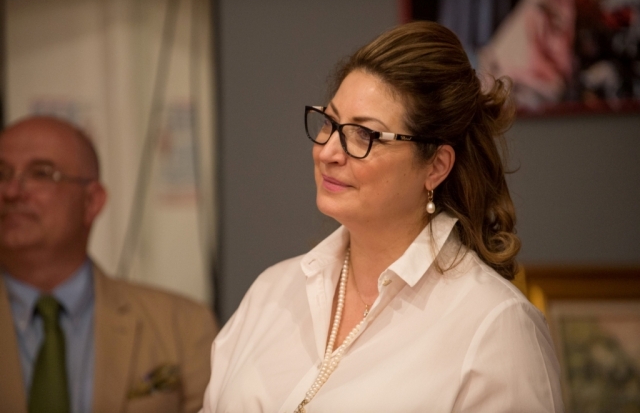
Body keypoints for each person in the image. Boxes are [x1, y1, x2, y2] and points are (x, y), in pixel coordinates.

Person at [202, 21, 563, 412]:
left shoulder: (495, 326)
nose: (328, 152)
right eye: (329, 123)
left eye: (364, 135)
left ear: (436, 166)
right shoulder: (271, 292)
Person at [0, 116, 217, 413]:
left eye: (41, 173)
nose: (11, 192)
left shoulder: (182, 325)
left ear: (92, 202)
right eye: (2, 174)